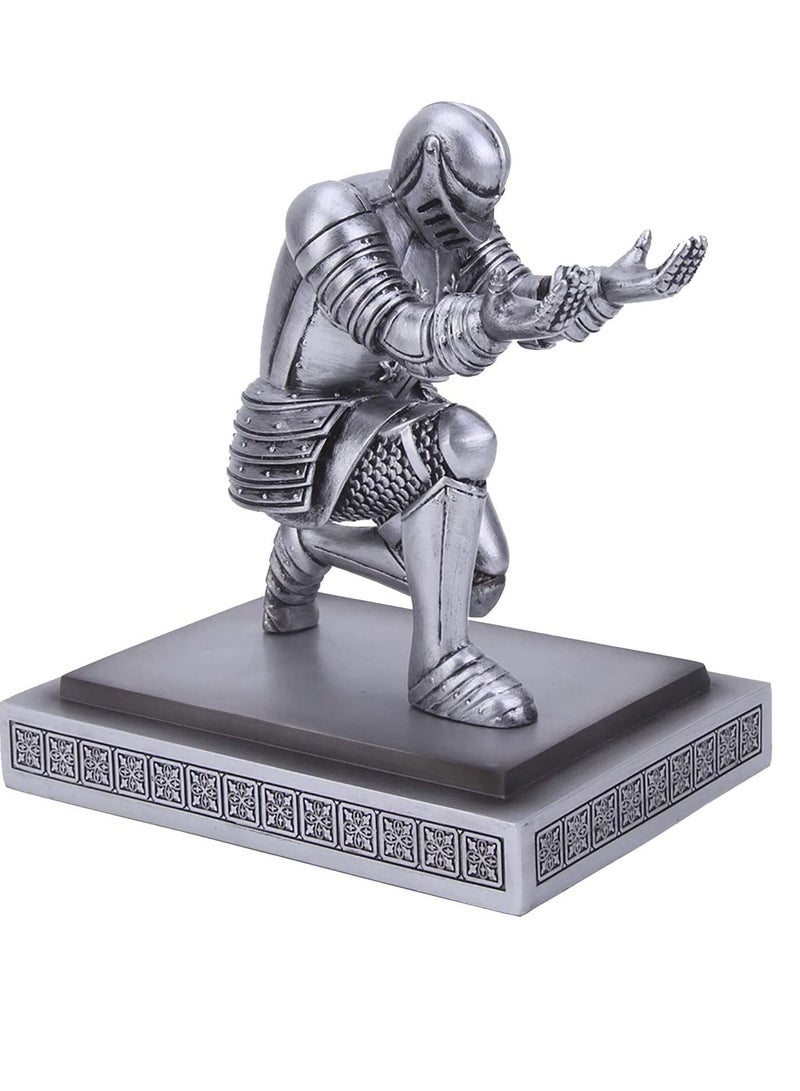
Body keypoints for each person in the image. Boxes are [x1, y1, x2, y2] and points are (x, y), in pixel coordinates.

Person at [229, 102, 706, 728]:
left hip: (390, 413)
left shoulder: (461, 217)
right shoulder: (329, 211)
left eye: (486, 204)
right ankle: (440, 665)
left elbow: (517, 293)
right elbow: (397, 326)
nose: (474, 221)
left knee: (479, 582)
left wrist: (599, 289)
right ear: (429, 164)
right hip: (305, 432)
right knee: (464, 438)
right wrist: (487, 320)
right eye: (467, 201)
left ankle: (309, 545)